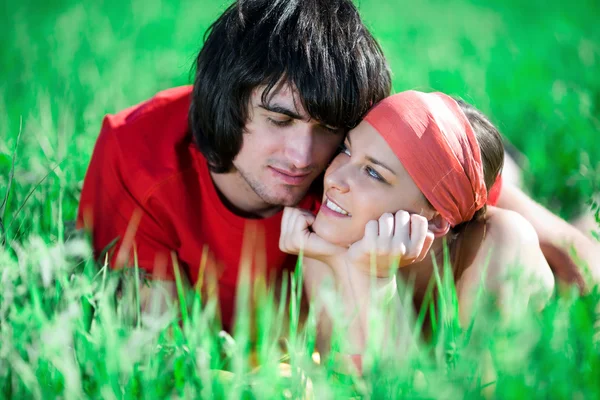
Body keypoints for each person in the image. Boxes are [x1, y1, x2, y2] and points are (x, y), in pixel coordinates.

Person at [76, 0, 395, 330]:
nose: (303, 158)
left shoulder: (353, 176)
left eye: (328, 129)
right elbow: (158, 352)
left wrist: (374, 278)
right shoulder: (139, 153)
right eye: (279, 120)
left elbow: (348, 365)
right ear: (225, 99)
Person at [279, 91, 555, 362]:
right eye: (346, 149)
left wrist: (375, 281)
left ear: (434, 219)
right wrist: (345, 265)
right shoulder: (335, 239)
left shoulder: (499, 243)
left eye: (373, 172)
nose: (334, 178)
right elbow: (351, 378)